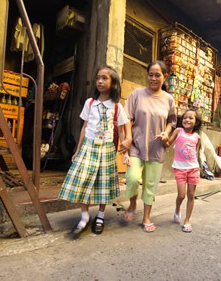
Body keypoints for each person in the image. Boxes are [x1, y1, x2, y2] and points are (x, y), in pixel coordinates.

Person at [58, 65, 131, 238]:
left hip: (106, 148)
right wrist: (77, 150)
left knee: (102, 184)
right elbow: (84, 127)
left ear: (113, 83)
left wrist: (125, 151)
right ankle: (84, 216)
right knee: (83, 180)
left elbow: (121, 132)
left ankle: (100, 216)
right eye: (98, 77)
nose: (100, 81)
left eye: (105, 78)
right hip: (88, 147)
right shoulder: (89, 103)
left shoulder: (117, 107)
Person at [122, 60, 177, 233]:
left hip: (156, 148)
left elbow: (172, 121)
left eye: (157, 75)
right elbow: (127, 118)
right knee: (132, 179)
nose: (153, 78)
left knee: (150, 185)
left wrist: (166, 133)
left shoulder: (168, 99)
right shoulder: (136, 94)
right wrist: (128, 138)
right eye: (150, 75)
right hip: (136, 146)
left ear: (165, 76)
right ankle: (132, 206)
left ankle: (146, 217)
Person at [164, 108, 202, 233]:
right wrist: (163, 138)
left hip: (193, 168)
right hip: (179, 168)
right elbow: (168, 144)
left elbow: (195, 153)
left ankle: (187, 220)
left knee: (191, 195)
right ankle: (177, 209)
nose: (187, 120)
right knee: (181, 195)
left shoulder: (197, 137)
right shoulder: (178, 131)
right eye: (185, 117)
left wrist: (197, 167)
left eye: (191, 118)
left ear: (196, 122)